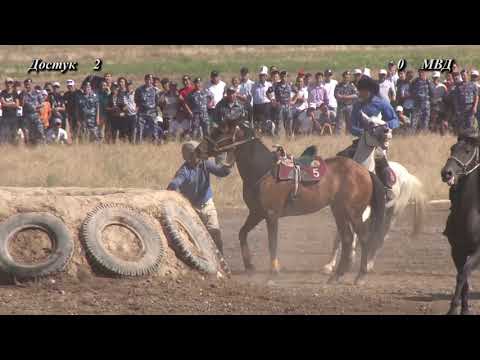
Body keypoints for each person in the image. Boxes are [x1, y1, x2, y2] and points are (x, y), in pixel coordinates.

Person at [337, 76, 399, 203]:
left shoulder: (382, 103)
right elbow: (352, 127)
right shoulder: (357, 106)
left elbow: (395, 120)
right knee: (341, 157)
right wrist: (365, 132)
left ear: (369, 90)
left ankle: (387, 188)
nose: (359, 93)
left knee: (379, 158)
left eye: (362, 90)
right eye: (359, 90)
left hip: (379, 142)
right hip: (361, 141)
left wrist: (385, 126)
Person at [167, 141, 233, 254]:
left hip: (207, 205)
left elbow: (223, 172)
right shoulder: (184, 171)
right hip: (192, 209)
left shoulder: (205, 163)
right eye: (196, 153)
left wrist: (230, 159)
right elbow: (173, 184)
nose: (200, 155)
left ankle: (221, 265)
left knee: (216, 236)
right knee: (196, 240)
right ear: (189, 157)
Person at [134, 74, 161, 144]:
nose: (149, 81)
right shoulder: (139, 90)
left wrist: (156, 110)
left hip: (152, 112)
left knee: (154, 127)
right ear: (145, 80)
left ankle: (155, 141)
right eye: (148, 79)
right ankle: (139, 142)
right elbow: (136, 100)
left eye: (150, 79)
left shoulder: (156, 90)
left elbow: (157, 101)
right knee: (140, 128)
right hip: (142, 112)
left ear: (152, 81)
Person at [20, 78, 46, 145]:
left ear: (31, 84)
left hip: (35, 115)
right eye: (26, 85)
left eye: (28, 84)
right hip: (26, 116)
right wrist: (24, 95)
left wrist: (36, 107)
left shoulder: (37, 93)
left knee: (40, 131)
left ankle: (43, 146)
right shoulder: (22, 93)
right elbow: (21, 104)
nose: (27, 86)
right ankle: (28, 148)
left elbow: (43, 103)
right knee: (27, 133)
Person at [334, 70, 358, 134]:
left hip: (349, 106)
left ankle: (348, 135)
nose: (346, 78)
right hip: (341, 106)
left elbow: (356, 95)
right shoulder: (338, 85)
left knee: (349, 122)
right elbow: (336, 95)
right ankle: (337, 136)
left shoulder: (352, 85)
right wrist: (342, 97)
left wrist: (346, 97)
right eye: (345, 77)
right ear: (343, 77)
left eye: (348, 77)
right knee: (339, 122)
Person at [410, 69, 434, 133]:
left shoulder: (429, 81)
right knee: (414, 122)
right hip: (417, 105)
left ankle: (424, 136)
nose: (421, 74)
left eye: (423, 72)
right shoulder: (415, 81)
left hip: (426, 105)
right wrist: (416, 96)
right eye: (420, 72)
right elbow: (411, 91)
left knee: (425, 122)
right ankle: (411, 136)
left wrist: (428, 82)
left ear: (425, 73)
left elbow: (433, 92)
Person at [251, 66, 273, 134]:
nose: (261, 77)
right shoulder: (254, 85)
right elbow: (252, 95)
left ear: (266, 76)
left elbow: (271, 97)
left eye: (263, 75)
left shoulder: (269, 85)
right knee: (256, 124)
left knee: (265, 122)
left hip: (266, 106)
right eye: (260, 75)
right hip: (256, 106)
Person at [272, 70, 293, 137]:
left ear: (287, 77)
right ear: (280, 77)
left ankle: (288, 137)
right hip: (280, 106)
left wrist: (293, 101)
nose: (284, 78)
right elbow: (268, 92)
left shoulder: (289, 85)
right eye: (282, 76)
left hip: (287, 106)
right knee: (279, 122)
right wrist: (273, 101)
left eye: (285, 77)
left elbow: (297, 92)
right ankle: (278, 137)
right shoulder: (276, 85)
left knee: (289, 122)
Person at [0, 77, 20, 144]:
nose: (9, 84)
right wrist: (12, 103)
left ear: (12, 84)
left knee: (14, 133)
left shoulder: (15, 93)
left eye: (10, 82)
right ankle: (5, 148)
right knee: (4, 134)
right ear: (5, 84)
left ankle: (14, 148)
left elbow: (17, 105)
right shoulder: (2, 93)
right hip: (5, 117)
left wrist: (7, 104)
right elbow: (3, 104)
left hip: (13, 117)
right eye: (7, 82)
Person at [430, 71, 448, 135]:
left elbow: (446, 98)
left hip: (441, 108)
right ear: (432, 78)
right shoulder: (430, 85)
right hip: (432, 108)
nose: (435, 79)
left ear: (439, 78)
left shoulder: (443, 86)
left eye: (437, 77)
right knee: (433, 123)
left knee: (442, 123)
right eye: (434, 77)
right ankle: (433, 137)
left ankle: (443, 136)